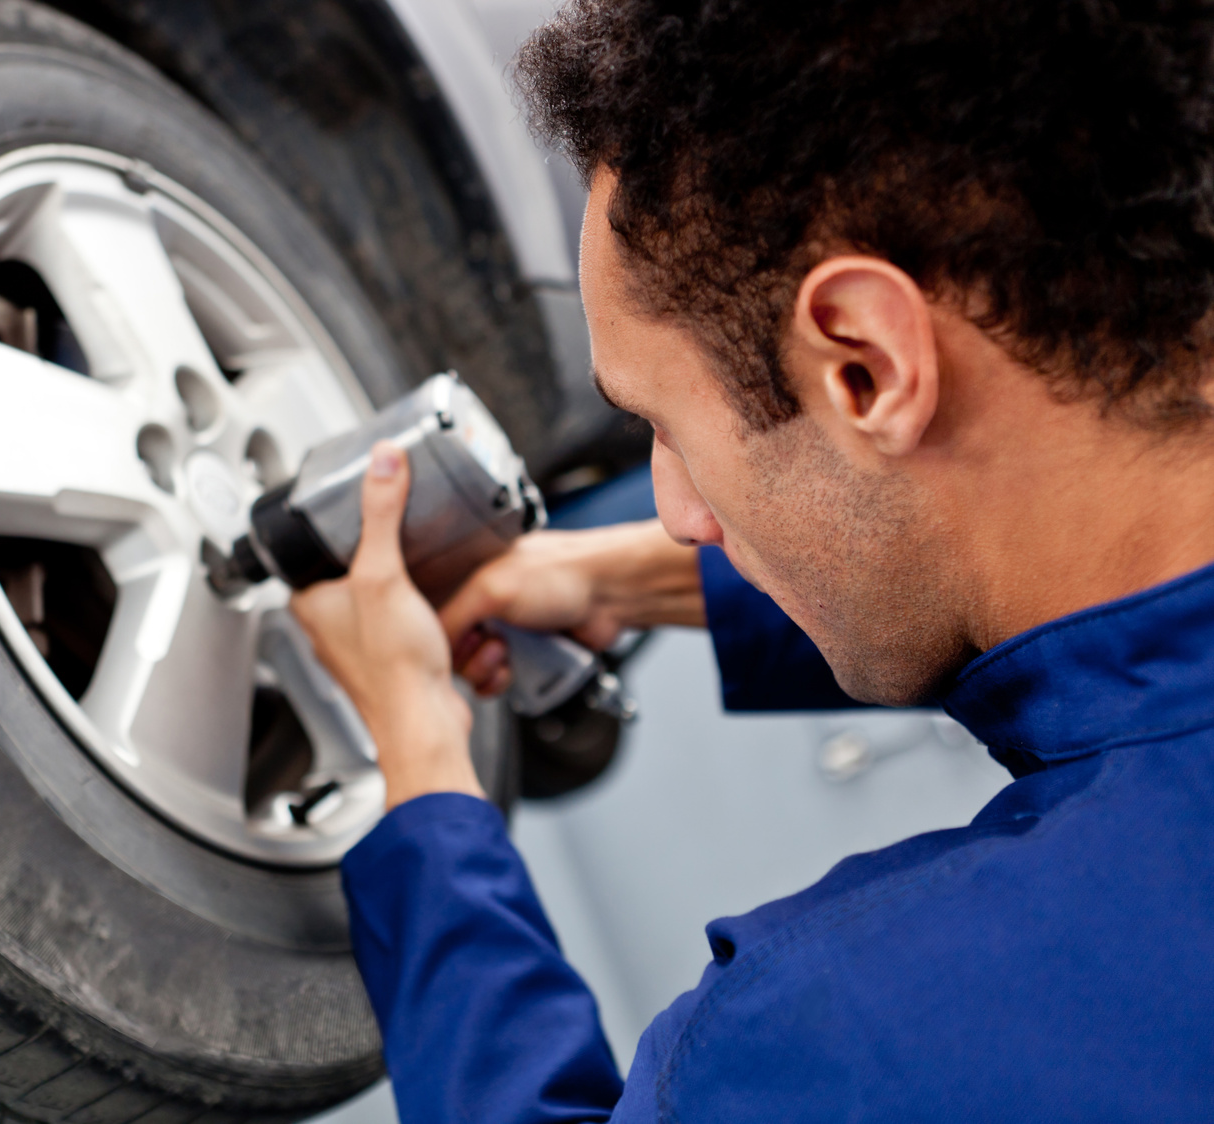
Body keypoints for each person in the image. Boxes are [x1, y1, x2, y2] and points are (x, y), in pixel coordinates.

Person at [287, 1, 1214, 1120]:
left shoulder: (853, 1038)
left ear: (864, 365)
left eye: (664, 425)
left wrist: (424, 766)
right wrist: (612, 577)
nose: (676, 511)